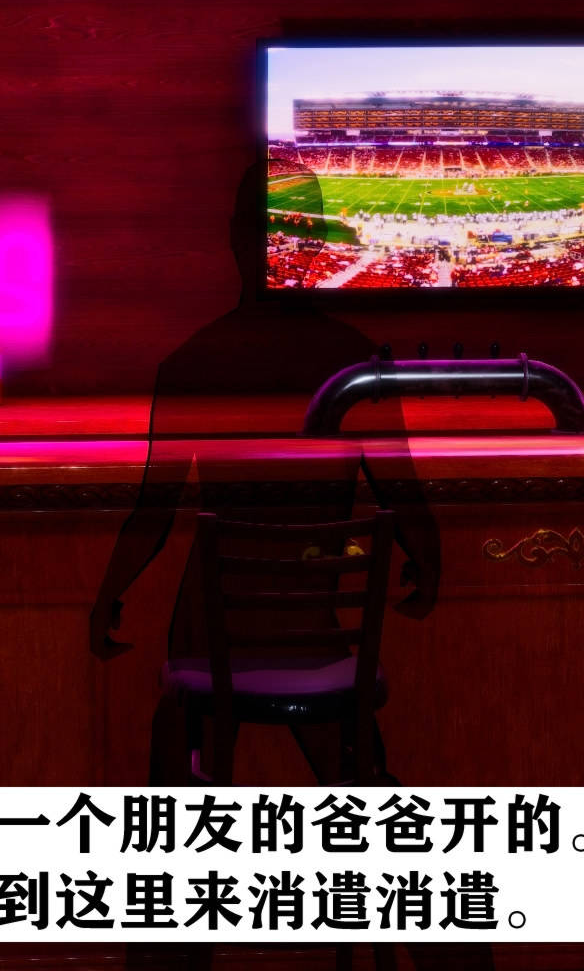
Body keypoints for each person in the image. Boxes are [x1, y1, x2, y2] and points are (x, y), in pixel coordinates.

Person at [88, 163, 446, 785]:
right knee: (347, 758)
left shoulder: (190, 362)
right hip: (309, 624)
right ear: (321, 236)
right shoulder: (355, 360)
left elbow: (154, 510)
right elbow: (402, 491)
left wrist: (107, 595)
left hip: (212, 631)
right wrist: (428, 560)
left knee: (179, 736)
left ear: (234, 236)